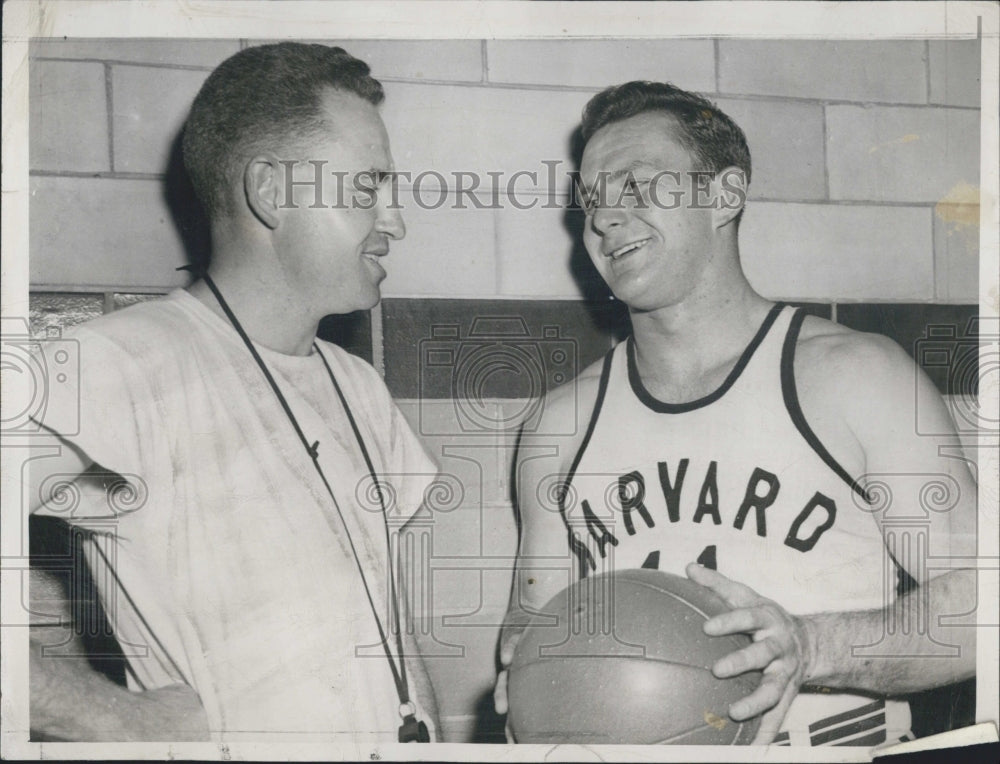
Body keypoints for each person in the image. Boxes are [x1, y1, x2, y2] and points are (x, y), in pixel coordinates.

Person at [494, 81, 978, 746]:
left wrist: (811, 647)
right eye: (593, 201)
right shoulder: (558, 424)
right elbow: (531, 618)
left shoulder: (855, 376)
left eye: (637, 185)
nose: (605, 218)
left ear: (724, 195)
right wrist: (529, 671)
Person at [27, 43, 440, 743]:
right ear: (271, 192)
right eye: (368, 188)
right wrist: (117, 719)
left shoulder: (360, 388)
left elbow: (393, 640)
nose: (396, 219)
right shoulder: (117, 364)